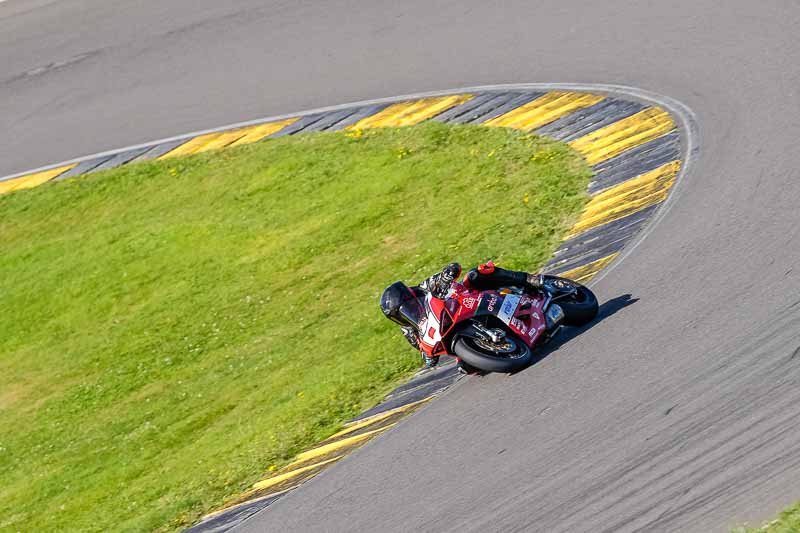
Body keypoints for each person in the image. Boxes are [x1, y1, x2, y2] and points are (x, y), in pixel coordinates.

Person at [380, 262, 545, 371]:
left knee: (477, 274)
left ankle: (528, 280)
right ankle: (500, 345)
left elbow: (453, 268)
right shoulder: (408, 330)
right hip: (451, 328)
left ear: (410, 296)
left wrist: (447, 275)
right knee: (466, 367)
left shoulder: (425, 287)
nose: (404, 315)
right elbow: (424, 350)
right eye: (398, 315)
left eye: (404, 308)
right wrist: (428, 357)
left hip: (466, 300)